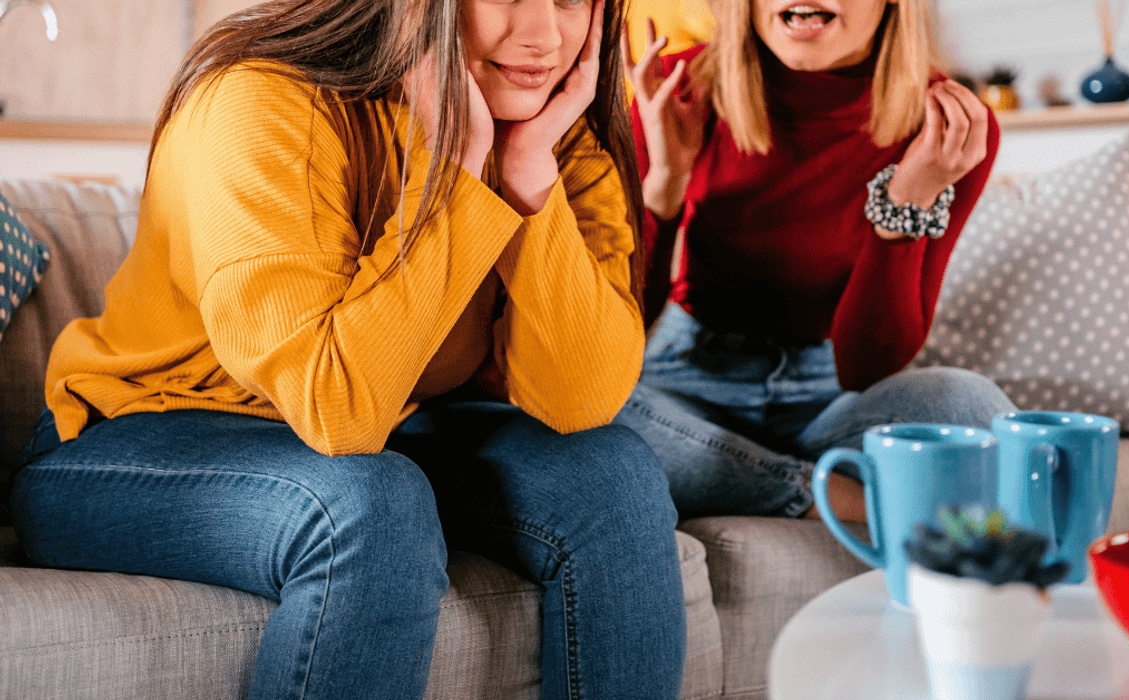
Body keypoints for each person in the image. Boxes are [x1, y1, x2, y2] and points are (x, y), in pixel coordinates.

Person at [10, 1, 686, 698]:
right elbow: (335, 409)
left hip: (383, 429)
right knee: (368, 502)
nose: (544, 35)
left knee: (613, 472)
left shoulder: (554, 140)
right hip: (130, 445)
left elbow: (581, 398)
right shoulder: (260, 100)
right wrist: (456, 174)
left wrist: (524, 186)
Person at [617, 0, 1017, 523]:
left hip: (828, 397)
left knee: (972, 406)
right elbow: (622, 325)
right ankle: (827, 496)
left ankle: (738, 478)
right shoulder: (678, 86)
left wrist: (903, 213)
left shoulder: (950, 127)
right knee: (585, 410)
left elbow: (867, 367)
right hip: (685, 379)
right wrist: (665, 184)